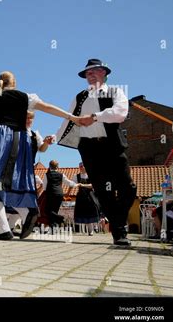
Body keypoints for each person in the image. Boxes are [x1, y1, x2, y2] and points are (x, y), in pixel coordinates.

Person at [0, 71, 81, 240]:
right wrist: (71, 117)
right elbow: (48, 107)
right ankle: (21, 216)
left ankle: (6, 228)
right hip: (20, 141)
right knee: (6, 185)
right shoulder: (26, 97)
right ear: (15, 83)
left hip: (0, 140)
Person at [57, 59, 137, 246]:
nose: (90, 75)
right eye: (87, 73)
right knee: (103, 191)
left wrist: (94, 117)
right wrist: (54, 137)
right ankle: (119, 232)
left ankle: (117, 220)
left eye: (94, 71)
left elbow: (120, 113)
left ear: (104, 72)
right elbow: (70, 119)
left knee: (128, 187)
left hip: (112, 146)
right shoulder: (80, 97)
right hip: (90, 149)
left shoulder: (115, 91)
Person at [38, 160, 79, 232]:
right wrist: (77, 184)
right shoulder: (61, 175)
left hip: (50, 194)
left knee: (47, 211)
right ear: (57, 166)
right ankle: (53, 228)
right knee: (54, 211)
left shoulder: (46, 175)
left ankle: (60, 218)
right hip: (59, 195)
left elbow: (44, 187)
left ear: (49, 166)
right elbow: (69, 183)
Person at [72, 162, 102, 235]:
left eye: (83, 166)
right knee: (85, 213)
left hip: (91, 195)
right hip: (81, 196)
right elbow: (73, 184)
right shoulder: (76, 176)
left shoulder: (91, 175)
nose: (81, 167)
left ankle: (95, 225)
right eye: (80, 166)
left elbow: (93, 185)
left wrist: (82, 185)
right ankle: (90, 231)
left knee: (94, 209)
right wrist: (73, 185)